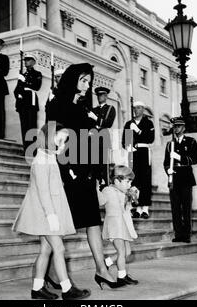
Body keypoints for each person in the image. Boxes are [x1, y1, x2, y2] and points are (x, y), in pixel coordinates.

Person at [47, 63, 124, 289]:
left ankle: (101, 270)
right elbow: (55, 141)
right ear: (72, 80)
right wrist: (65, 169)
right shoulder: (57, 104)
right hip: (69, 172)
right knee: (61, 226)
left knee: (92, 221)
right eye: (83, 80)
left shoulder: (83, 107)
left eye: (89, 81)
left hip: (86, 170)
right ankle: (50, 274)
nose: (87, 85)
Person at [12, 122, 91, 300]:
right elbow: (43, 191)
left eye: (65, 140)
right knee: (59, 248)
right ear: (48, 138)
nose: (63, 144)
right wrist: (51, 215)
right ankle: (67, 288)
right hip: (45, 213)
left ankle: (37, 288)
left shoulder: (49, 157)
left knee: (46, 250)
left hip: (48, 212)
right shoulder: (41, 160)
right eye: (60, 139)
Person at [97, 165, 139, 287]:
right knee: (121, 251)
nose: (129, 184)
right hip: (115, 225)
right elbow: (100, 202)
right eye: (127, 181)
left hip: (123, 225)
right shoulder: (108, 191)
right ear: (116, 181)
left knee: (127, 252)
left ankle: (107, 263)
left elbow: (128, 208)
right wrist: (97, 188)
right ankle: (122, 276)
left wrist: (133, 196)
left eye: (130, 181)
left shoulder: (124, 192)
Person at [163, 117, 197, 244]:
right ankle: (178, 234)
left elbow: (194, 159)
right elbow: (166, 162)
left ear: (183, 128)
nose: (176, 129)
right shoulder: (169, 144)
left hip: (186, 177)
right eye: (175, 127)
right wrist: (168, 170)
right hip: (174, 178)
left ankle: (186, 234)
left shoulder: (191, 142)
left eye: (178, 126)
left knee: (186, 207)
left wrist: (179, 157)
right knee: (175, 208)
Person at [122, 101, 154, 219]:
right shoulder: (129, 123)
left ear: (143, 109)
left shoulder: (148, 123)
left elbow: (150, 138)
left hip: (144, 152)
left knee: (145, 180)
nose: (136, 110)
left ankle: (144, 208)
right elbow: (124, 141)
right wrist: (130, 147)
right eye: (134, 108)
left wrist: (138, 131)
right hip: (133, 153)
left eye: (139, 108)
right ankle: (134, 207)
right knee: (133, 180)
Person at [14, 53, 42, 151]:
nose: (26, 62)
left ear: (33, 62)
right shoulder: (22, 75)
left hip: (31, 102)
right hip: (22, 103)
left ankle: (32, 150)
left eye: (28, 60)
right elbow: (16, 90)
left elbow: (36, 86)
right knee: (24, 127)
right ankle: (26, 149)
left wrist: (24, 81)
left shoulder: (37, 74)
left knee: (31, 126)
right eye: (25, 60)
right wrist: (19, 95)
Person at [90, 87, 116, 186]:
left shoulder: (110, 109)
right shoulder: (94, 109)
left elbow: (108, 123)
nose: (99, 97)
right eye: (98, 95)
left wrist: (95, 118)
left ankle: (105, 185)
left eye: (101, 95)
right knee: (94, 164)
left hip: (103, 138)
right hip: (93, 138)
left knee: (104, 165)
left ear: (106, 96)